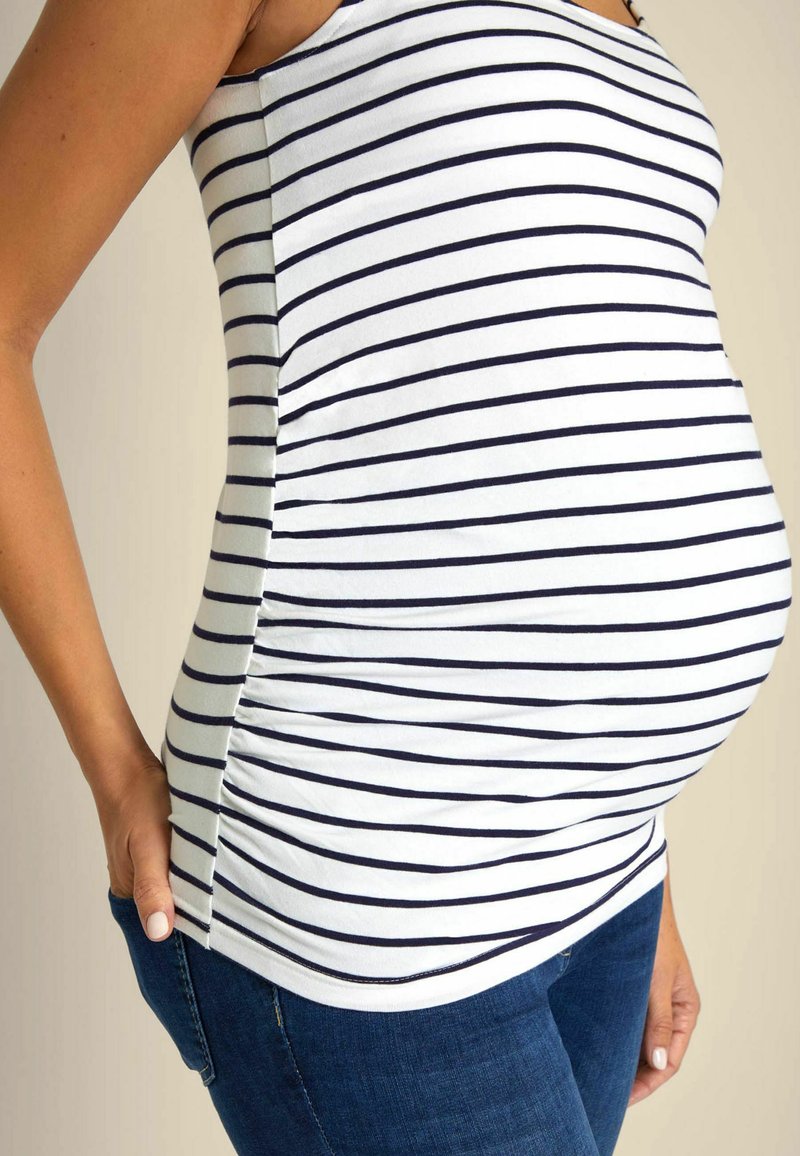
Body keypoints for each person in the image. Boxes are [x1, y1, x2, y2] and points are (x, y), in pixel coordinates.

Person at [0, 1, 791, 1153]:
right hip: (371, 883)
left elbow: (568, 346)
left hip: (602, 866)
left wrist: (633, 835)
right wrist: (116, 774)